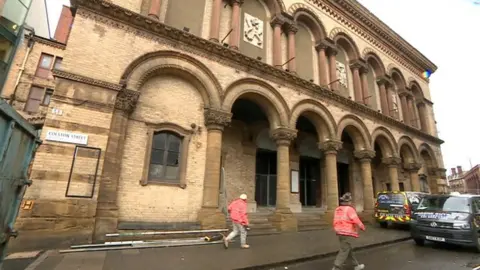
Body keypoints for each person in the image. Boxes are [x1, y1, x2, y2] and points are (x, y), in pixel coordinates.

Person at [332, 192, 366, 270]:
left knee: (348, 248)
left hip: (339, 231)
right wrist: (362, 226)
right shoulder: (349, 209)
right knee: (344, 249)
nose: (351, 202)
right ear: (347, 202)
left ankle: (355, 265)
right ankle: (336, 267)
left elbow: (335, 220)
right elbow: (355, 219)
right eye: (350, 201)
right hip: (346, 232)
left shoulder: (337, 209)